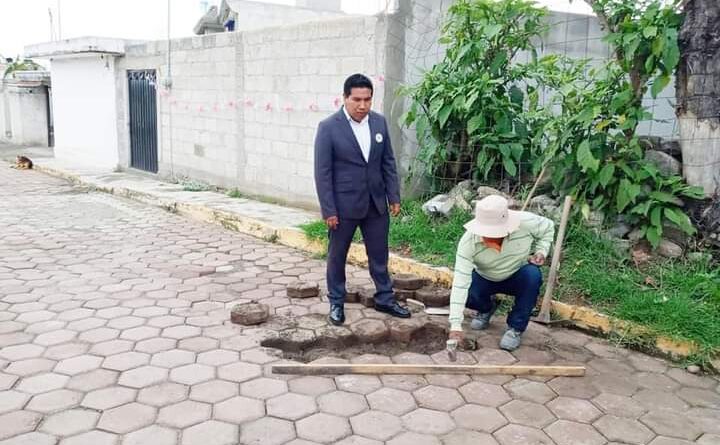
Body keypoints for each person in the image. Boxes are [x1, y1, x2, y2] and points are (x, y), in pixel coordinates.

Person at [314, 73, 411, 326]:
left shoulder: (379, 123)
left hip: (376, 204)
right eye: (357, 99)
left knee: (379, 255)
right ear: (345, 98)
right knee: (337, 256)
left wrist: (393, 196)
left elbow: (388, 162)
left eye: (367, 99)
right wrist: (328, 210)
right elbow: (323, 173)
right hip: (343, 207)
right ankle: (337, 301)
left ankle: (385, 298)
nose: (362, 105)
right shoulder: (329, 127)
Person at [447, 195, 555, 351]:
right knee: (470, 294)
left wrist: (541, 251)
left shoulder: (526, 222)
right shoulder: (468, 242)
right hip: (485, 277)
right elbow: (460, 283)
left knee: (533, 276)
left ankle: (515, 328)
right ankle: (486, 308)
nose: (489, 236)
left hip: (516, 274)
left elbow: (548, 228)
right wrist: (455, 325)